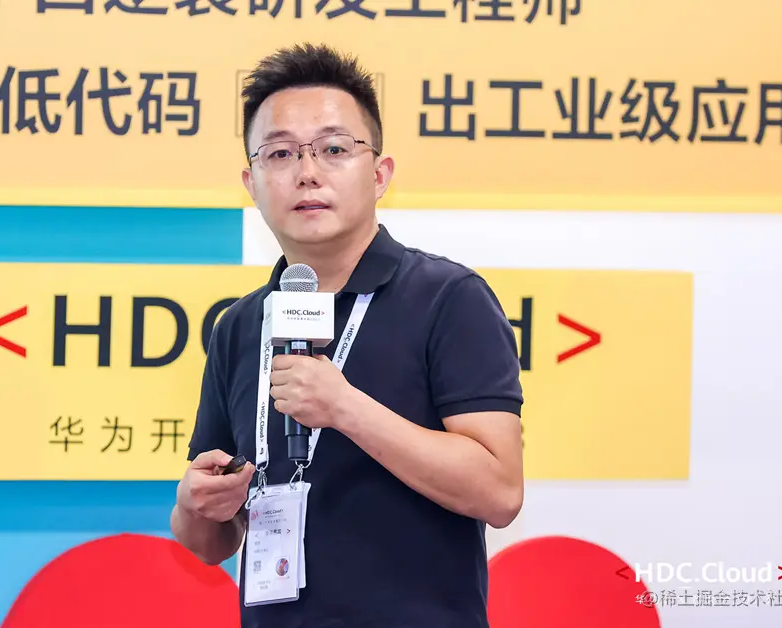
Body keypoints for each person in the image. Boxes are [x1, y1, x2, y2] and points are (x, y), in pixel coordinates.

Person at [171, 42, 525, 628]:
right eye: (280, 153)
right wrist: (193, 506)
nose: (307, 172)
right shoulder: (240, 325)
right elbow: (213, 542)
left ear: (380, 174)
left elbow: (500, 492)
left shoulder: (449, 298)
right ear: (252, 183)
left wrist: (344, 407)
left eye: (334, 149)